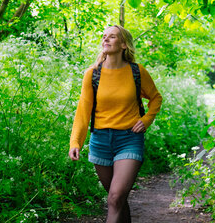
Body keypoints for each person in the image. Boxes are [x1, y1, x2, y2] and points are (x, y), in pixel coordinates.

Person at [68, 25, 162, 223]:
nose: (106, 39)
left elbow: (155, 98)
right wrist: (75, 142)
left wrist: (146, 120)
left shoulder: (137, 72)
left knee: (115, 197)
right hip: (100, 141)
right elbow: (83, 112)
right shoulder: (92, 74)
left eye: (112, 37)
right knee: (118, 201)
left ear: (124, 44)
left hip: (129, 140)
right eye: (104, 36)